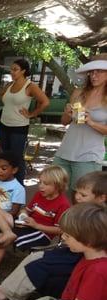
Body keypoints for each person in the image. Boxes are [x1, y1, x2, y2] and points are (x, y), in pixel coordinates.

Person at [0, 171, 107, 300]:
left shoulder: (98, 218)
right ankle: (4, 290)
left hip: (83, 255)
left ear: (101, 198)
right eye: (77, 193)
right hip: (72, 249)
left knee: (39, 265)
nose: (77, 197)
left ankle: (6, 295)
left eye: (83, 195)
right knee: (36, 256)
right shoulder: (84, 210)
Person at [0, 165, 70, 282]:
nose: (40, 186)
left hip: (41, 233)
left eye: (46, 184)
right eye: (40, 182)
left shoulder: (63, 204)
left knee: (0, 237)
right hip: (27, 225)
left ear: (58, 185)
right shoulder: (39, 195)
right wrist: (23, 214)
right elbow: (27, 209)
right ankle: (7, 233)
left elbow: (60, 230)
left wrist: (36, 225)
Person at [54, 54, 107, 195]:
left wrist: (91, 122)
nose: (94, 75)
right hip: (65, 151)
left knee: (81, 198)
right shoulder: (79, 92)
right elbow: (64, 122)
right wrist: (67, 113)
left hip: (88, 156)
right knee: (54, 192)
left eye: (99, 71)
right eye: (92, 72)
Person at [0, 59, 50, 184]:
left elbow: (45, 102)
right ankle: (6, 183)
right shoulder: (9, 85)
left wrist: (32, 114)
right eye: (11, 69)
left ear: (23, 71)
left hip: (19, 126)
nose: (12, 72)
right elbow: (1, 97)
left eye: (15, 69)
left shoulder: (30, 86)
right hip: (4, 124)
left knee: (16, 157)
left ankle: (19, 185)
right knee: (5, 156)